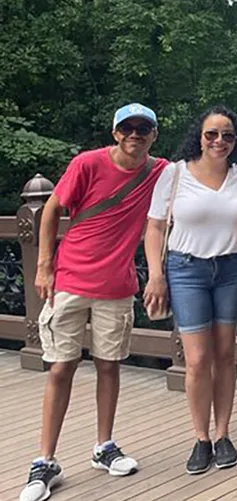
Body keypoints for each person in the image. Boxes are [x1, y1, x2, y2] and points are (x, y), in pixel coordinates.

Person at [20, 103, 168, 501]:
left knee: (109, 367)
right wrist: (44, 265)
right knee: (60, 369)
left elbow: (202, 174)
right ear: (116, 132)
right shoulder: (87, 163)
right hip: (70, 279)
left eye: (144, 128)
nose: (135, 134)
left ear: (154, 134)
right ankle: (44, 460)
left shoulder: (160, 171)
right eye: (128, 127)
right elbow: (51, 209)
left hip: (117, 285)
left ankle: (104, 446)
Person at [143, 106, 237, 474]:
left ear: (236, 142)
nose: (219, 141)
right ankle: (200, 437)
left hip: (232, 268)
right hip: (186, 268)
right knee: (197, 359)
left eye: (227, 135)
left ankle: (223, 435)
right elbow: (155, 228)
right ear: (199, 136)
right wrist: (156, 275)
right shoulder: (175, 174)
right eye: (212, 134)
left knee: (225, 355)